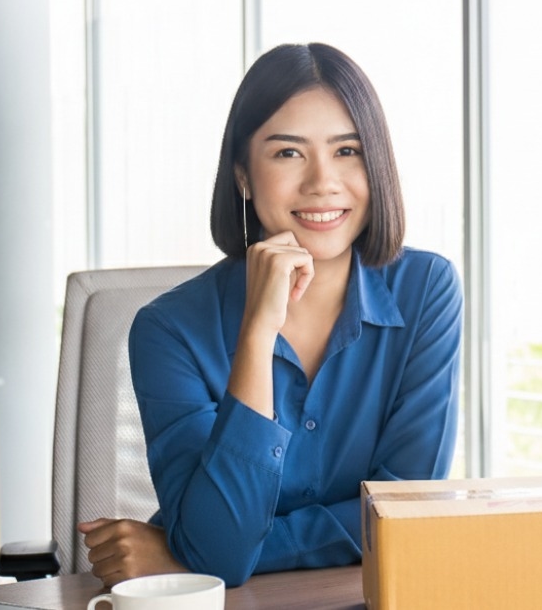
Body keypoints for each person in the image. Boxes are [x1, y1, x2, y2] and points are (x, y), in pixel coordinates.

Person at [77, 42, 463, 589]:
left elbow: (405, 513)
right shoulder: (167, 331)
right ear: (242, 175)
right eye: (288, 153)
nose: (322, 182)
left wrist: (187, 555)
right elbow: (221, 551)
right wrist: (257, 335)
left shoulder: (427, 291)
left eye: (347, 151)